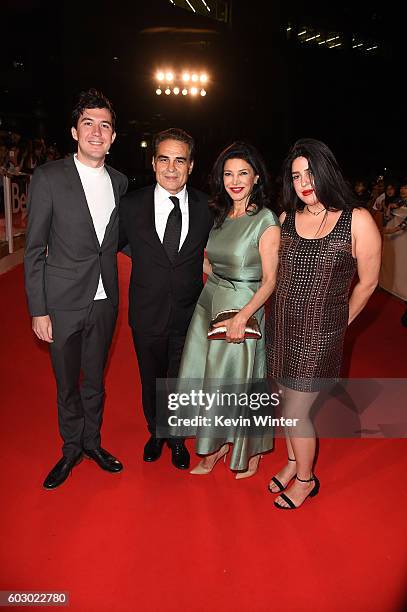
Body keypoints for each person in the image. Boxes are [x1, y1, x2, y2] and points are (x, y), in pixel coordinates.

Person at [266, 138, 381, 509]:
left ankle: (305, 479)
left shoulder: (356, 219)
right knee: (286, 403)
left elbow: (368, 282)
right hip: (281, 327)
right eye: (296, 175)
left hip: (321, 334)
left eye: (311, 172)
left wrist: (341, 322)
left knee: (297, 411)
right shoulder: (286, 218)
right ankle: (290, 461)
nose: (304, 182)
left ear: (327, 171)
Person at [24, 88, 128, 489]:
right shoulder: (49, 177)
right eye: (88, 123)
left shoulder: (120, 182)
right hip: (62, 302)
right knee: (67, 382)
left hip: (105, 301)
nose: (97, 132)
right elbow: (34, 250)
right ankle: (70, 449)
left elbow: (118, 239)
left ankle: (92, 443)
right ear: (74, 131)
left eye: (105, 125)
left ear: (114, 136)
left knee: (95, 381)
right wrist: (39, 308)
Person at [174, 141, 280, 477]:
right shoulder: (219, 215)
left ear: (256, 178)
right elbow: (210, 262)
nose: (235, 180)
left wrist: (243, 316)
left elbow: (270, 281)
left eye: (243, 174)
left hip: (241, 305)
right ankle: (215, 445)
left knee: (237, 383)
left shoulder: (265, 220)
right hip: (211, 300)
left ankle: (248, 450)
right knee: (209, 380)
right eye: (228, 173)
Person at [118, 128, 213, 470]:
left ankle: (176, 437)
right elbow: (114, 243)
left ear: (190, 166)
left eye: (179, 160)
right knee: (151, 379)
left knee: (181, 380)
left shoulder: (206, 206)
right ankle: (155, 432)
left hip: (190, 314)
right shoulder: (131, 204)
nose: (171, 168)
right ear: (154, 162)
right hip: (146, 312)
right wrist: (147, 258)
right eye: (164, 159)